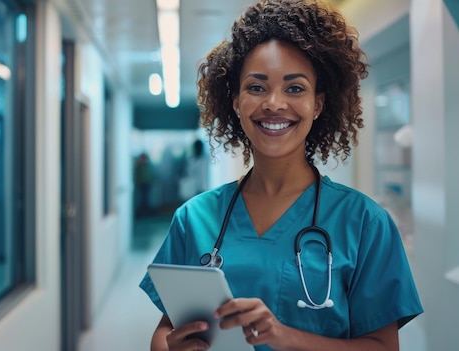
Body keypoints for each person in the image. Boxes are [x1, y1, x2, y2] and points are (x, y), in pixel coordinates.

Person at [139, 1, 423, 350]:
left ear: (318, 104)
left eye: (295, 88)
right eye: (256, 87)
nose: (274, 103)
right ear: (235, 102)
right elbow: (165, 330)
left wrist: (284, 337)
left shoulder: (365, 223)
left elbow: (383, 346)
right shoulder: (193, 219)